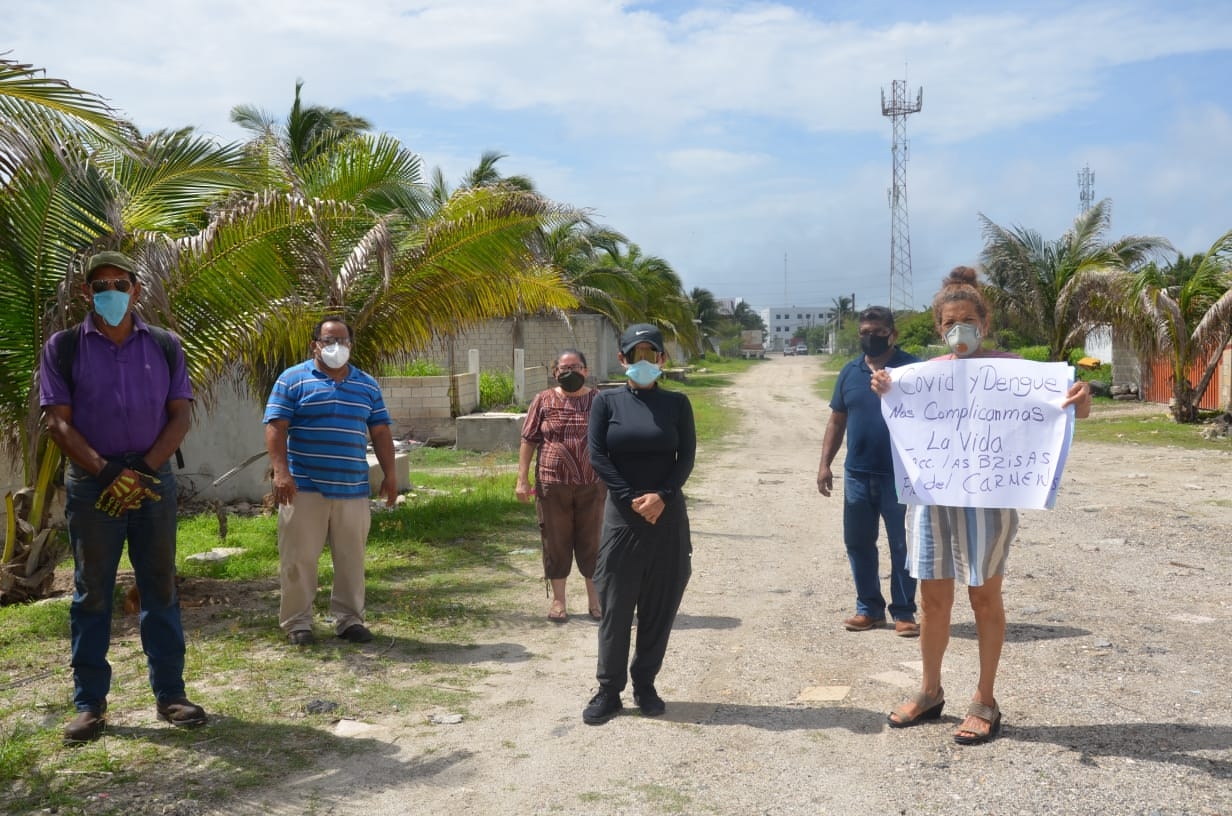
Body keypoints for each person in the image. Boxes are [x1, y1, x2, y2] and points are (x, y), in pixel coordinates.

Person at [875, 266, 1091, 744]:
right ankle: (930, 691)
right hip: (932, 497)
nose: (959, 330)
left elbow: (1063, 411)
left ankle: (985, 701)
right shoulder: (922, 377)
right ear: (939, 328)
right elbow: (902, 419)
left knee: (983, 595)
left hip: (989, 499)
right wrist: (887, 391)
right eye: (949, 323)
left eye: (967, 320)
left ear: (984, 322)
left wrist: (1080, 397)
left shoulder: (1015, 372)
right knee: (932, 599)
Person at [40, 250, 206, 743]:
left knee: (160, 587)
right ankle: (90, 704)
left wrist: (143, 470)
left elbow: (180, 415)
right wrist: (109, 471)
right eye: (99, 284)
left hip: (152, 481)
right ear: (85, 293)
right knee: (92, 592)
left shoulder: (165, 344)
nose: (110, 291)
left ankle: (171, 695)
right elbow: (58, 422)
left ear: (137, 289)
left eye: (120, 282)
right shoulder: (64, 347)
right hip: (93, 484)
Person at [582, 324, 696, 724]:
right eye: (636, 355)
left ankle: (645, 684)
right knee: (615, 607)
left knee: (659, 608)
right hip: (622, 519)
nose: (644, 362)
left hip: (667, 520)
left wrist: (662, 496)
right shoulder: (606, 403)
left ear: (663, 359)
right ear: (622, 360)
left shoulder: (678, 404)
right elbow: (598, 456)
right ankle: (608, 691)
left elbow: (685, 459)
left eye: (652, 354)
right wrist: (633, 497)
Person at [263, 316, 398, 647]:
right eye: (328, 341)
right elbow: (276, 427)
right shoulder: (292, 380)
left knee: (351, 558)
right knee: (298, 558)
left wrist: (390, 475)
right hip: (304, 487)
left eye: (343, 341)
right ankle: (298, 623)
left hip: (352, 488)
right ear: (315, 345)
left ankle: (349, 620)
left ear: (351, 345)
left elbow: (379, 431)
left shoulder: (366, 385)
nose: (336, 347)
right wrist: (281, 473)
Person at [817, 306, 921, 637]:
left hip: (900, 475)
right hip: (857, 474)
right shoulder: (849, 372)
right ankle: (869, 609)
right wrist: (825, 464)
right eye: (864, 332)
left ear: (893, 334)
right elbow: (837, 419)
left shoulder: (912, 369)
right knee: (858, 542)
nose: (870, 337)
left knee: (903, 545)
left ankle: (904, 612)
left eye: (877, 332)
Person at [516, 349, 606, 623]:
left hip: (593, 484)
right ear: (555, 373)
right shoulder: (542, 400)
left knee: (593, 542)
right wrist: (522, 479)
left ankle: (596, 600)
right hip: (551, 486)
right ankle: (558, 601)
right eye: (564, 368)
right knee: (555, 541)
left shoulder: (599, 400)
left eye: (576, 367)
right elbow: (528, 439)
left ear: (586, 371)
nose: (570, 372)